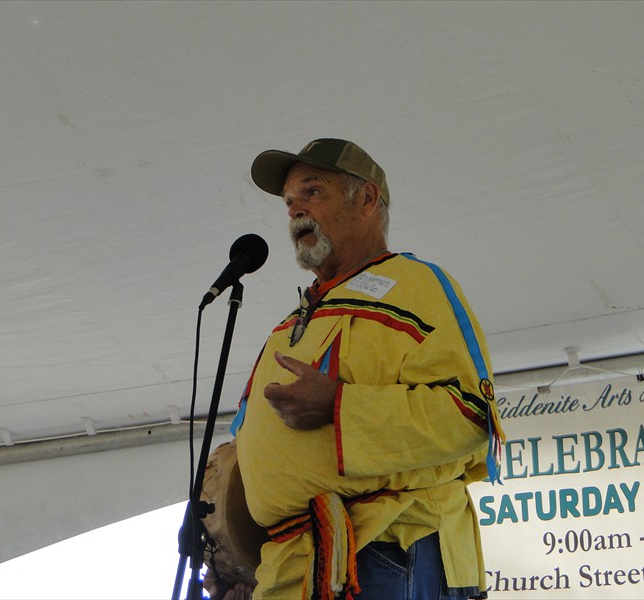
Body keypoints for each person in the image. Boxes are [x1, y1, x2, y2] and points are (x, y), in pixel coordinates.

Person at [215, 138, 505, 600]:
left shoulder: (415, 286)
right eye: (289, 202)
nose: (295, 211)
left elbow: (470, 415)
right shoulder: (292, 321)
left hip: (385, 550)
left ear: (367, 198)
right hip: (291, 565)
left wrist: (340, 406)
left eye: (312, 192)